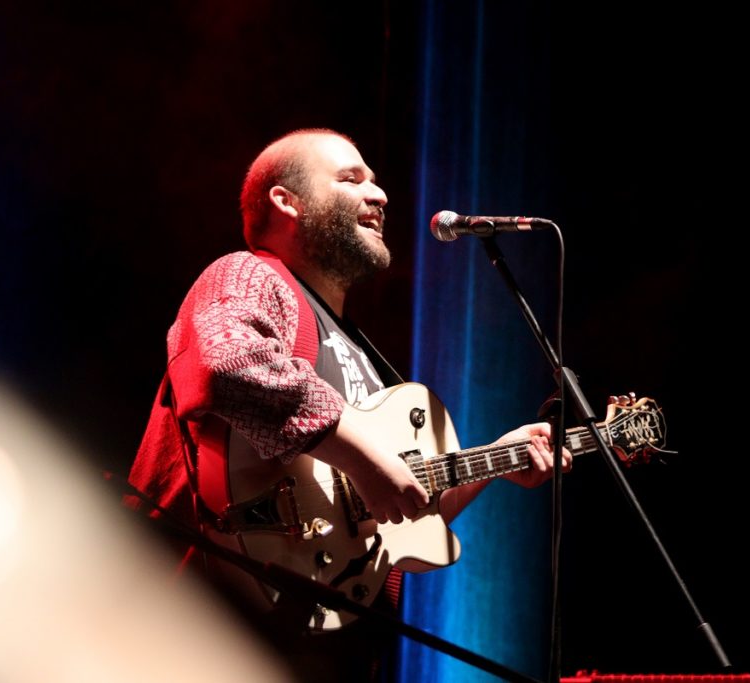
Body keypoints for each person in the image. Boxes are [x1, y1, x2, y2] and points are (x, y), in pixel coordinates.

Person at [124, 128, 572, 682]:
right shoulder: (247, 273)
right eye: (351, 179)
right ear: (286, 200)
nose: (379, 195)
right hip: (206, 633)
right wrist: (361, 456)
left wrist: (498, 460)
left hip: (328, 652)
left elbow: (387, 511)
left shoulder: (363, 356)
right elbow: (228, 362)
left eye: (375, 182)